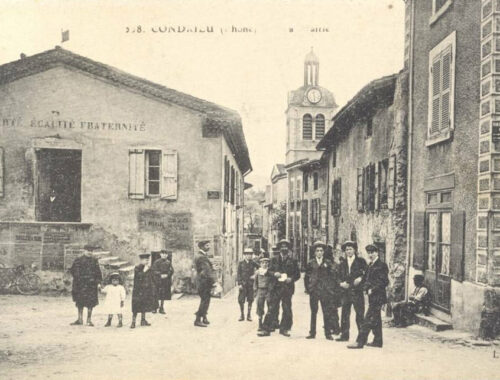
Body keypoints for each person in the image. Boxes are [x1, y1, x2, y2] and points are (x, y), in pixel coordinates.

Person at [348, 244, 389, 349]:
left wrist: (372, 289)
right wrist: (364, 286)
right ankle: (378, 341)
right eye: (369, 253)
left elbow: (384, 281)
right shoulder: (370, 265)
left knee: (367, 319)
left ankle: (360, 342)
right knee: (376, 319)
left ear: (377, 253)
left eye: (372, 253)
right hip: (372, 297)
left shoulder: (381, 265)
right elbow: (366, 279)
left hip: (378, 296)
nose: (370, 255)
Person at [258, 239, 300, 337]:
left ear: (288, 249)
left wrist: (291, 279)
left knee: (286, 308)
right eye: (282, 247)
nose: (284, 249)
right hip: (275, 288)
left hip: (287, 288)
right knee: (272, 308)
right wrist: (274, 274)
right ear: (279, 249)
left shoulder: (293, 261)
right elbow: (268, 272)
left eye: (286, 247)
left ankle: (284, 329)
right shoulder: (274, 260)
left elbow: (297, 274)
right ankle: (266, 329)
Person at [304, 241, 339, 340]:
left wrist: (329, 288)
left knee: (326, 312)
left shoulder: (327, 263)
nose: (319, 252)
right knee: (313, 312)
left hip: (325, 291)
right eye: (317, 251)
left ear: (323, 252)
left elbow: (332, 277)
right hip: (314, 291)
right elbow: (306, 277)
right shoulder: (311, 263)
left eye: (321, 251)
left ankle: (327, 333)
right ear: (314, 252)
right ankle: (312, 332)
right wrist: (308, 288)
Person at [337, 240, 367, 342]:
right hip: (345, 292)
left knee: (359, 314)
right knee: (345, 314)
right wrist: (341, 284)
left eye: (350, 249)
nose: (348, 251)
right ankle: (344, 335)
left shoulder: (361, 261)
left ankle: (362, 337)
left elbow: (366, 274)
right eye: (347, 250)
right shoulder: (342, 263)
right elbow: (337, 277)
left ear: (354, 250)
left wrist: (361, 279)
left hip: (357, 291)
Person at [69, 244, 103, 327]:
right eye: (88, 251)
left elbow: (98, 273)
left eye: (91, 251)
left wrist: (98, 283)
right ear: (84, 251)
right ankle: (80, 319)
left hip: (91, 285)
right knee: (80, 302)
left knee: (90, 303)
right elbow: (73, 271)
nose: (89, 252)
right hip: (81, 285)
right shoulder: (78, 260)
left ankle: (89, 320)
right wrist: (79, 279)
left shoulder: (94, 261)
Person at [131, 253, 157, 328]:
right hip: (138, 290)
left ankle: (143, 320)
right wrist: (144, 271)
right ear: (141, 260)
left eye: (148, 260)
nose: (147, 261)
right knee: (135, 306)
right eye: (146, 260)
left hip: (146, 290)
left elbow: (151, 277)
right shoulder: (137, 268)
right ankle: (133, 322)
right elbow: (138, 277)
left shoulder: (149, 268)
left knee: (144, 305)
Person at [194, 240, 216, 327]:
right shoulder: (202, 257)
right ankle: (197, 319)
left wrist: (211, 267)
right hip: (204, 282)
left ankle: (204, 317)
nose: (209, 247)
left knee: (206, 300)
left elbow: (205, 268)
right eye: (207, 246)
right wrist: (213, 282)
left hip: (202, 282)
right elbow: (206, 271)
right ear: (202, 247)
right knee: (205, 301)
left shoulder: (201, 256)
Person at [237, 248, 259, 321]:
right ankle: (242, 315)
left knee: (250, 299)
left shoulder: (253, 263)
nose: (249, 256)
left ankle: (249, 315)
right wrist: (239, 284)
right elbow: (238, 274)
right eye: (247, 254)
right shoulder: (241, 263)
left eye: (250, 254)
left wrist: (255, 275)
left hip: (250, 284)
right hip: (243, 285)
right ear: (245, 255)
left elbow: (260, 268)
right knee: (241, 300)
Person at [152, 250, 174, 315]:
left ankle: (161, 308)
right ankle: (154, 308)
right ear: (160, 254)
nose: (164, 255)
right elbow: (153, 270)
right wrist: (160, 275)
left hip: (165, 280)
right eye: (163, 254)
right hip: (157, 280)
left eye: (165, 254)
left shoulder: (168, 262)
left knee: (163, 294)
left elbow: (171, 270)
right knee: (156, 293)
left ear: (167, 255)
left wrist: (167, 275)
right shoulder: (156, 262)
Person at [254, 257, 273, 332]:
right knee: (259, 306)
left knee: (270, 307)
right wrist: (255, 291)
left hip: (268, 291)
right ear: (260, 264)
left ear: (268, 263)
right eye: (263, 263)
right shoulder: (258, 272)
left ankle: (268, 324)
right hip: (260, 290)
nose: (264, 264)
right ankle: (260, 324)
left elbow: (272, 281)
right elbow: (255, 282)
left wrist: (270, 289)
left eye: (266, 263)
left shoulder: (270, 272)